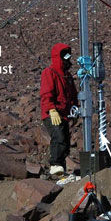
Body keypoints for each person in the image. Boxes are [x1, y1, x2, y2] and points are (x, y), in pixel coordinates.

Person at [40, 43, 78, 176]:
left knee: (65, 142)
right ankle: (55, 165)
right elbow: (46, 93)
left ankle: (60, 170)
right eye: (64, 55)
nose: (67, 59)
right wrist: (51, 109)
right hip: (52, 113)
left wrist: (75, 108)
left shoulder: (67, 76)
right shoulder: (49, 72)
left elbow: (73, 95)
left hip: (64, 114)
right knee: (59, 137)